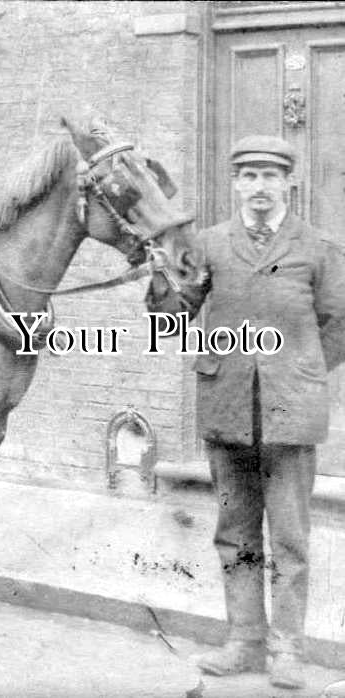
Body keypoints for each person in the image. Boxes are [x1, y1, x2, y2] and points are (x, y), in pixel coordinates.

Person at [150, 135, 345, 690]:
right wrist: (162, 277)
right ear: (235, 184)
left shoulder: (318, 247)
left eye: (269, 177)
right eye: (248, 177)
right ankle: (243, 642)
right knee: (235, 535)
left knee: (288, 539)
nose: (259, 188)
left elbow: (340, 323)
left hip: (290, 413)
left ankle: (286, 649)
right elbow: (172, 315)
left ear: (289, 184)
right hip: (228, 406)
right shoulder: (209, 245)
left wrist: (302, 368)